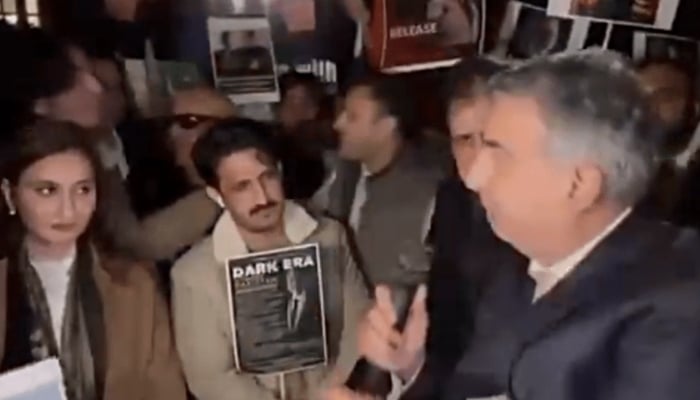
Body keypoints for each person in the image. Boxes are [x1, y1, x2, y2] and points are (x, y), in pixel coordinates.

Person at [338, 49, 700, 400]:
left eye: (497, 152)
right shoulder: (518, 263)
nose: (474, 177)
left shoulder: (678, 312)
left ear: (579, 184)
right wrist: (411, 367)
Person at [170, 118, 368, 400]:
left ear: (281, 172)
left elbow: (359, 322)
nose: (262, 197)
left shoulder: (329, 237)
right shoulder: (193, 274)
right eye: (242, 187)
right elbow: (210, 378)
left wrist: (331, 390)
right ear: (217, 195)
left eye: (268, 178)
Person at [0, 119, 187, 399]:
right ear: (9, 195)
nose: (68, 210)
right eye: (47, 191)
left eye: (82, 190)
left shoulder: (135, 284)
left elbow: (165, 389)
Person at [4, 26, 220, 262]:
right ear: (40, 103)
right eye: (79, 79)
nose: (97, 88)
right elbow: (132, 250)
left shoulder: (100, 151)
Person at [321, 75, 447, 288]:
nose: (338, 124)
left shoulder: (428, 193)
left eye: (352, 117)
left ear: (386, 127)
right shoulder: (345, 170)